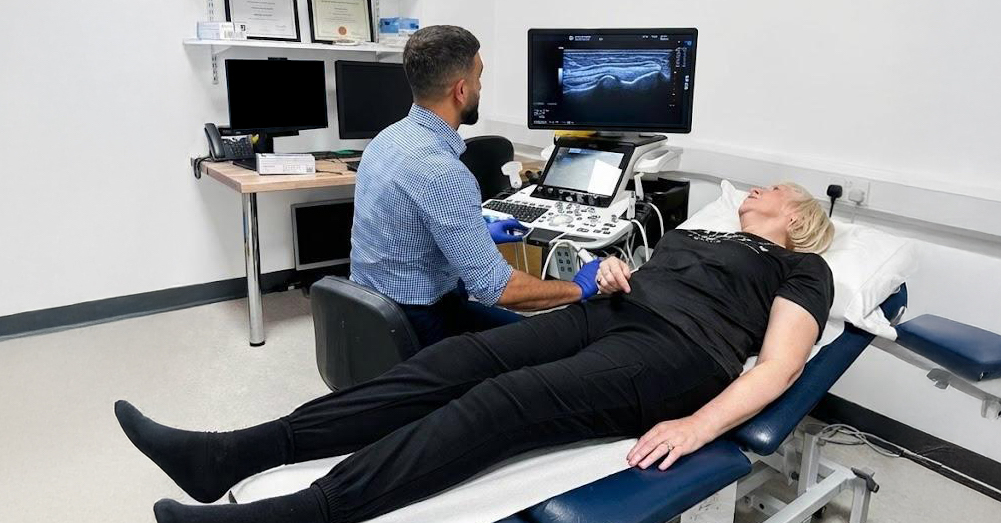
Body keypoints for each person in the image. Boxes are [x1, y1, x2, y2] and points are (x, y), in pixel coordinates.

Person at [115, 182, 836, 523]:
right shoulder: (698, 232)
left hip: (679, 354)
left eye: (774, 187)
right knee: (451, 363)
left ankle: (300, 516)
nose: (757, 188)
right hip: (610, 311)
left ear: (797, 215)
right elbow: (651, 277)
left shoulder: (804, 268)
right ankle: (228, 454)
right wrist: (619, 269)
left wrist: (697, 425)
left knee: (503, 403)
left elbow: (780, 365)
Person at [349, 25, 599, 351]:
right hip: (420, 323)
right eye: (479, 78)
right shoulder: (444, 174)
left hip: (371, 313)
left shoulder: (385, 140)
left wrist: (478, 232)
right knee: (559, 343)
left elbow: (402, 229)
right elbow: (498, 289)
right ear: (461, 90)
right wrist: (578, 287)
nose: (481, 87)